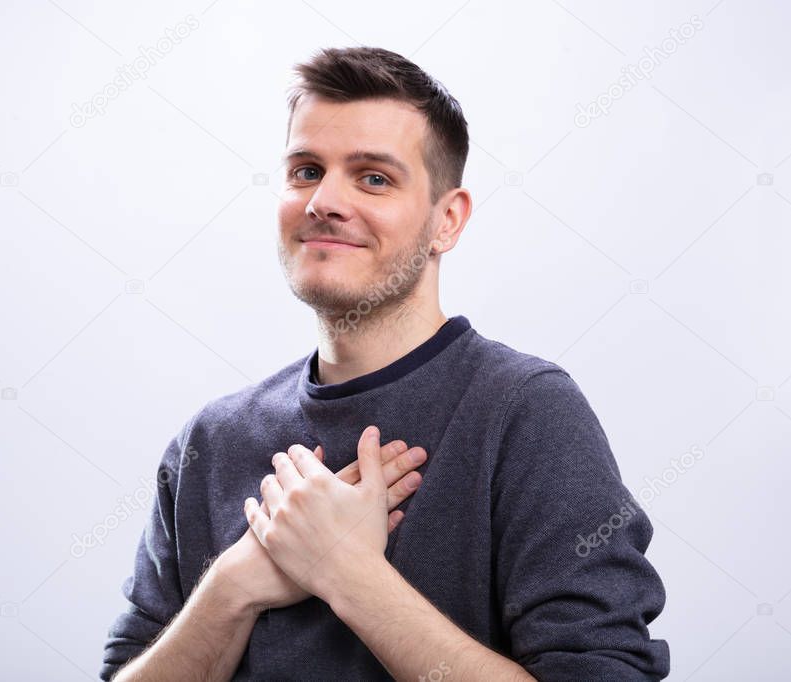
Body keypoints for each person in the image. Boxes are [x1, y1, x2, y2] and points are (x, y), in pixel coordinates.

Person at [100, 45, 670, 681]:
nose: (325, 201)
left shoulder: (526, 412)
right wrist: (235, 585)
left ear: (445, 221)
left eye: (373, 177)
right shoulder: (210, 440)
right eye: (306, 170)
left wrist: (347, 572)